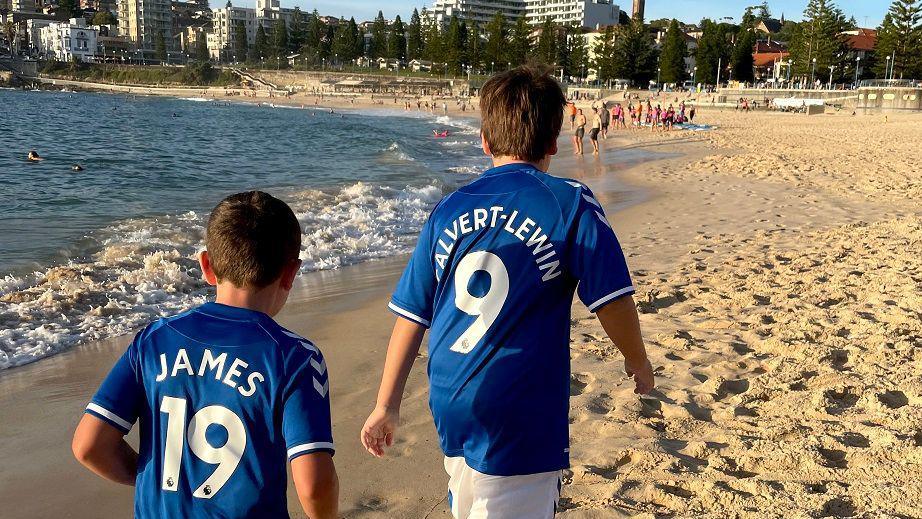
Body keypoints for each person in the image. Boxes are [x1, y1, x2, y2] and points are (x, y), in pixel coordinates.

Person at [360, 66, 654, 519]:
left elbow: (412, 316)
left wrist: (386, 404)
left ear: (484, 140)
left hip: (450, 396)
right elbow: (612, 299)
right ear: (554, 142)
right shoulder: (569, 202)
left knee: (470, 498)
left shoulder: (449, 208)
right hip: (519, 404)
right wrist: (637, 361)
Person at [72, 191, 339, 519]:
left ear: (207, 267)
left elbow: (89, 446)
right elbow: (314, 486)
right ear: (290, 273)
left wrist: (149, 477)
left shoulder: (154, 341)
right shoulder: (294, 357)